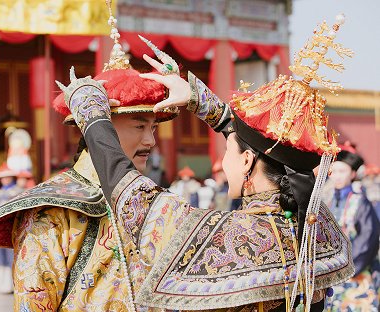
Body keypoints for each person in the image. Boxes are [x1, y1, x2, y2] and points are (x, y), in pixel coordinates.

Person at [54, 16, 354, 311]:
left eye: (227, 150)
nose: (223, 162)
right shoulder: (314, 223)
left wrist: (92, 115)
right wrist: (202, 102)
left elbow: (135, 199)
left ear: (247, 161)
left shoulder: (236, 236)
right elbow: (259, 145)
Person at [0, 8, 179, 311]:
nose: (150, 140)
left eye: (153, 127)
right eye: (138, 125)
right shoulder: (50, 212)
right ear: (100, 127)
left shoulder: (154, 202)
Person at [325, 142, 380, 311]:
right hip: (331, 275)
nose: (337, 176)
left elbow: (368, 239)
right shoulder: (327, 202)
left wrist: (348, 268)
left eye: (342, 171)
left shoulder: (361, 202)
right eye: (333, 171)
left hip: (356, 274)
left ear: (353, 173)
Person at [0, 162, 23, 294]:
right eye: (2, 178)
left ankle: (16, 285)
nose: (4, 180)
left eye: (7, 177)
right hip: (1, 229)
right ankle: (4, 285)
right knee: (2, 258)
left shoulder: (18, 192)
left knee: (14, 257)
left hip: (13, 227)